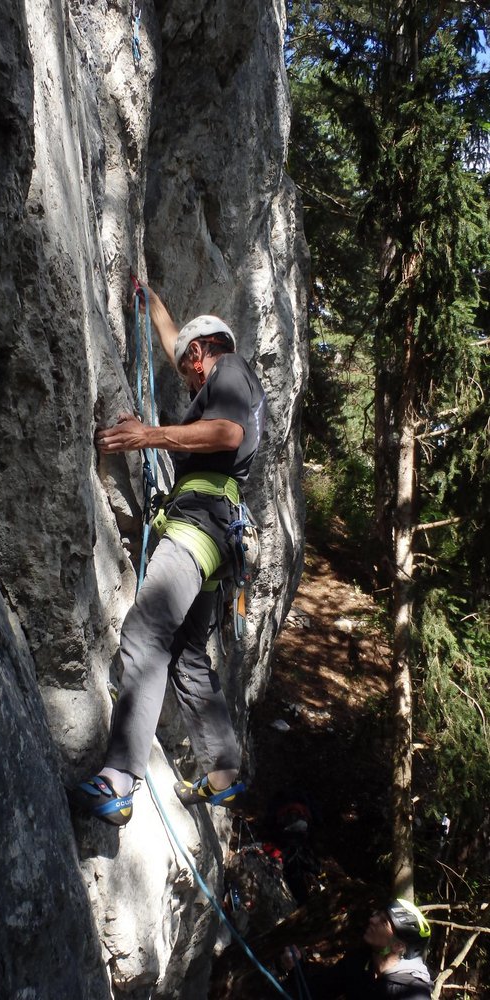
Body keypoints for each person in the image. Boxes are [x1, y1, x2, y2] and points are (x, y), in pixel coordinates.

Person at [70, 287, 266, 825]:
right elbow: (177, 340)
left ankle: (118, 779)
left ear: (204, 353)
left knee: (146, 632)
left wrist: (146, 437)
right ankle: (223, 772)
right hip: (220, 538)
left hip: (198, 526)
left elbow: (225, 432)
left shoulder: (230, 369)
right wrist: (151, 300)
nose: (188, 381)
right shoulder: (224, 375)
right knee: (187, 653)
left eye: (188, 370)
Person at [290, 898, 433, 999]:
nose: (372, 920)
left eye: (383, 922)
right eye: (377, 914)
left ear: (398, 946)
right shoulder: (359, 961)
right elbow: (317, 991)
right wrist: (295, 967)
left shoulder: (413, 993)